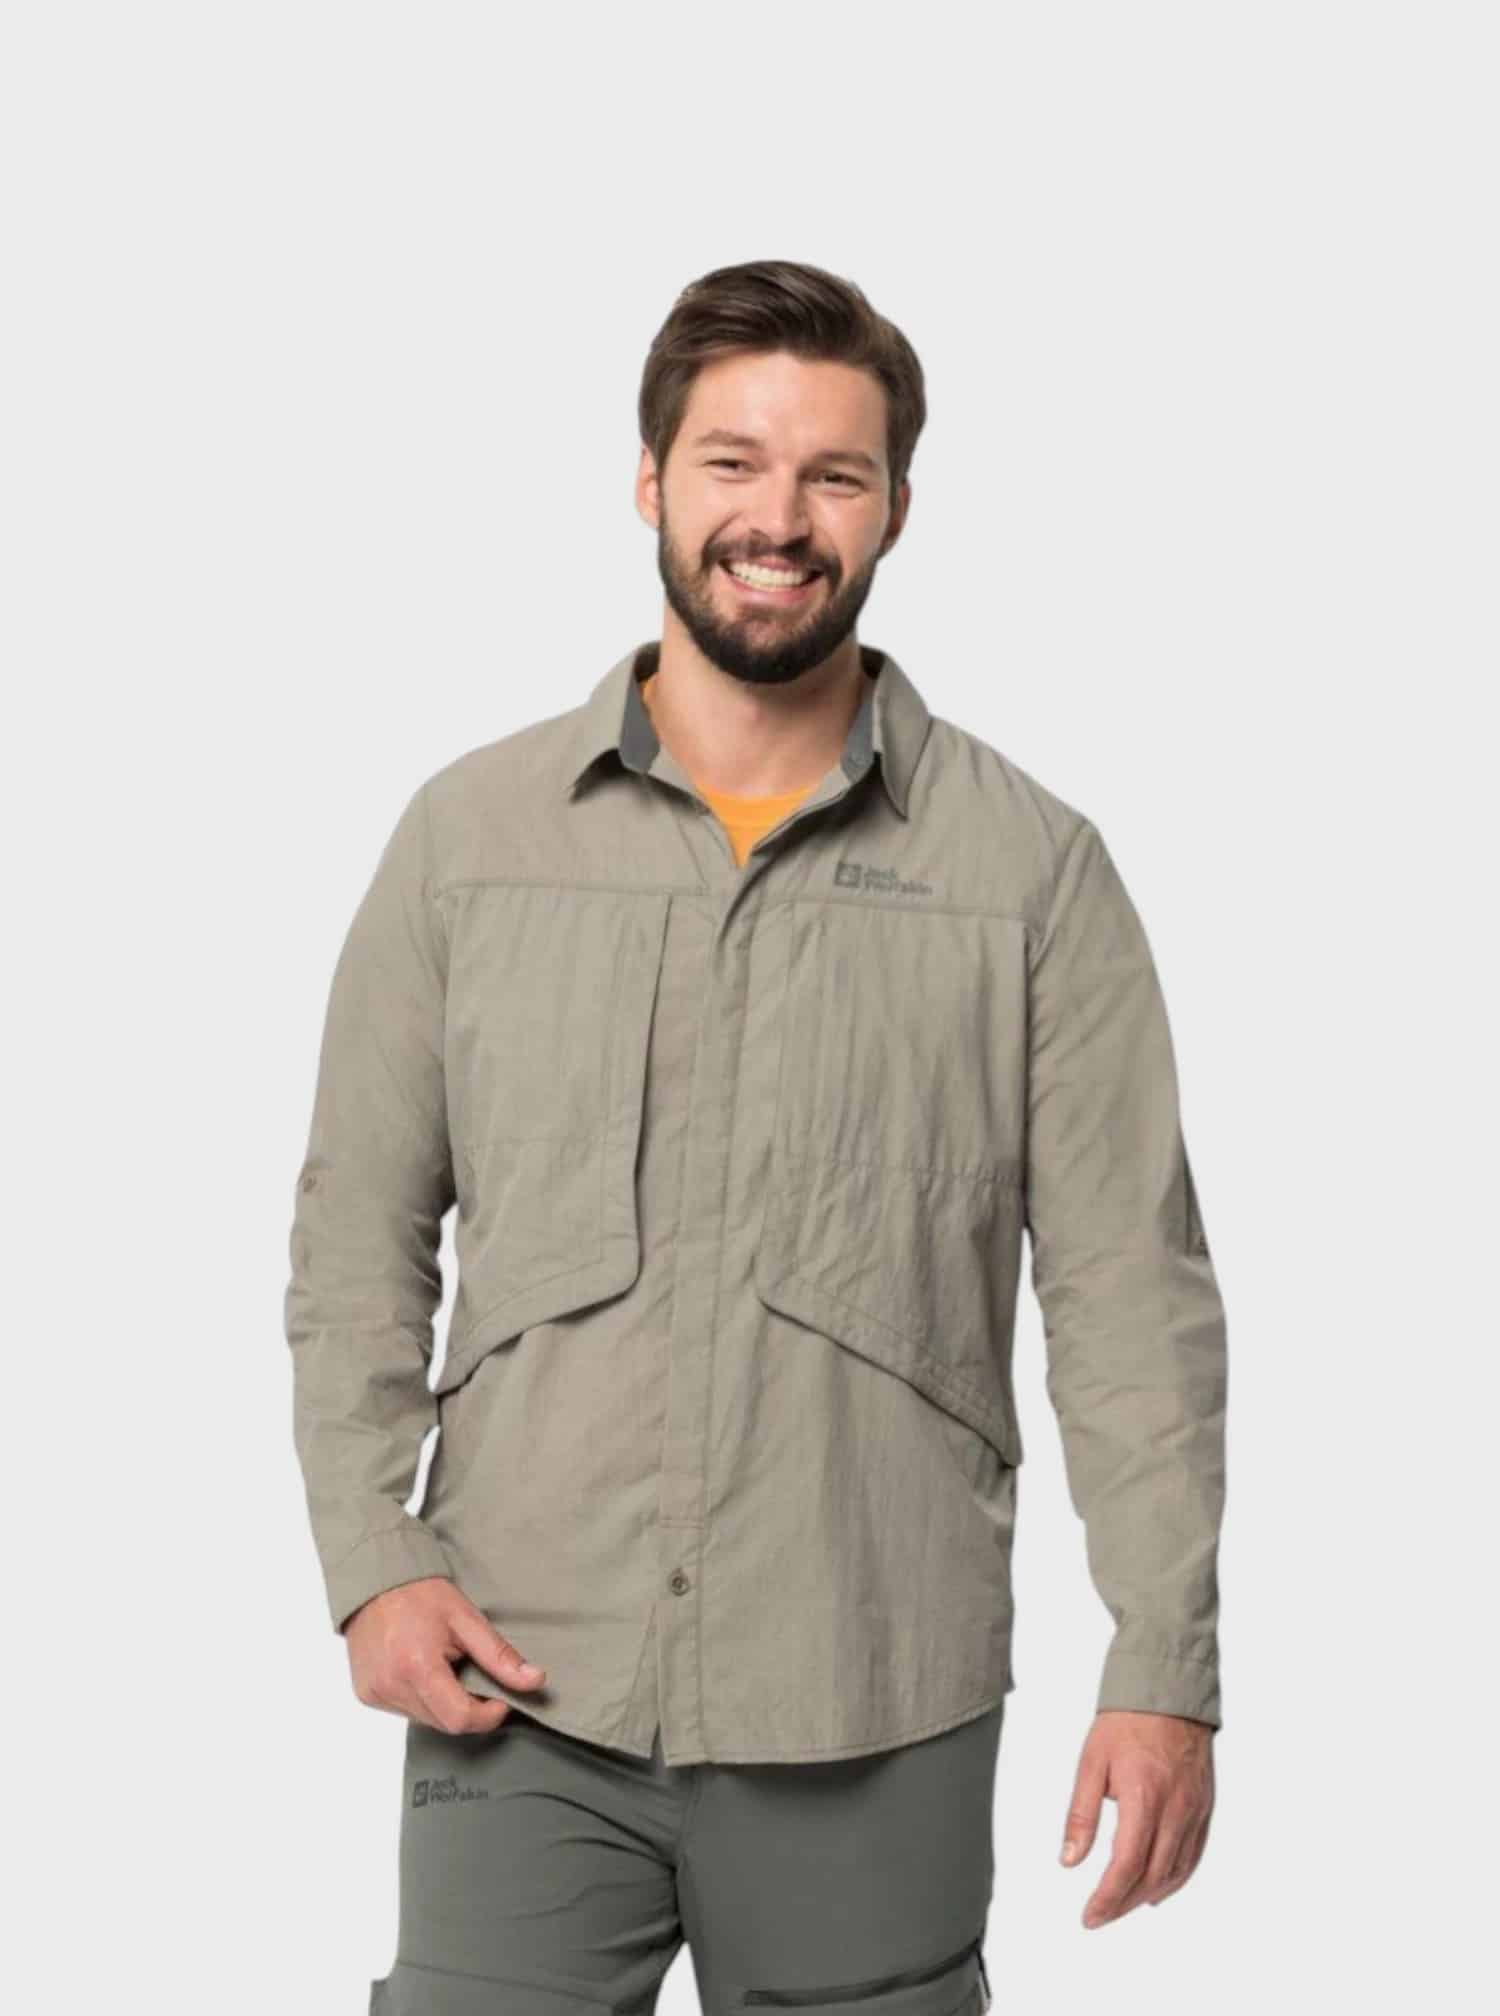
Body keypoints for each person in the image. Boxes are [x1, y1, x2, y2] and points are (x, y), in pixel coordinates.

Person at [283, 257, 1227, 2013]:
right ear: (651, 480)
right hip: (519, 1684)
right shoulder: (469, 842)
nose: (777, 520)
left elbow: (1129, 1299)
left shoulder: (1029, 873)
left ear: (896, 509)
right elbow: (356, 1241)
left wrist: (1164, 1665)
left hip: (874, 1690)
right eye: (732, 463)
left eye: (833, 475)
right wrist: (373, 1562)